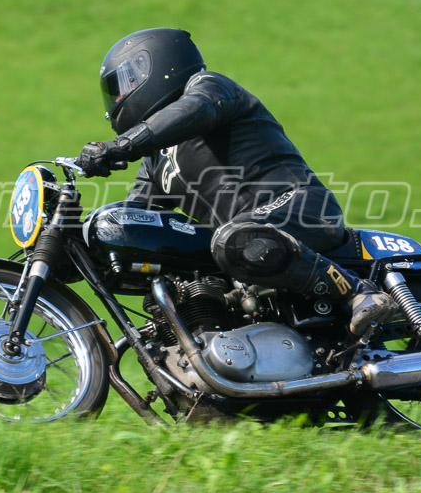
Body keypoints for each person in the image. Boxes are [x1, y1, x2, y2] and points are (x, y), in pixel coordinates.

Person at [76, 28, 397, 339]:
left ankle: (359, 292)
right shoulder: (155, 161)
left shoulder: (208, 86)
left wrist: (122, 145)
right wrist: (76, 241)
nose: (119, 97)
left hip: (299, 206)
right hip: (246, 244)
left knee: (233, 239)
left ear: (160, 64)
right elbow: (135, 221)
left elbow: (195, 109)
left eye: (125, 82)